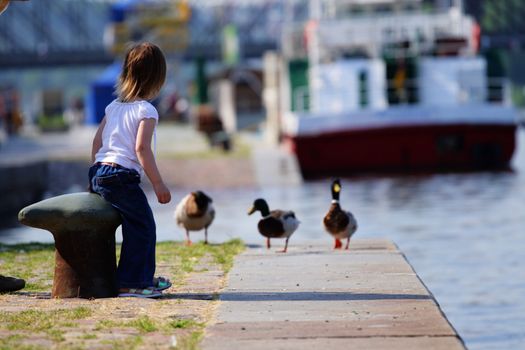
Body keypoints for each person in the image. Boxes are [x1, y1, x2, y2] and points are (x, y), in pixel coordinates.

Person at [89, 42, 172, 298]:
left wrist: (94, 180)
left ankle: (140, 277)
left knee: (135, 225)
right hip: (121, 177)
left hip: (100, 171)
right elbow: (141, 149)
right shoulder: (147, 110)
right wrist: (158, 183)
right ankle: (132, 283)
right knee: (143, 227)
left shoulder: (112, 107)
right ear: (157, 79)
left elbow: (96, 143)